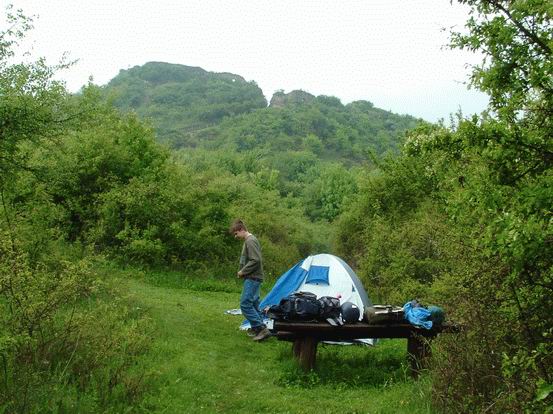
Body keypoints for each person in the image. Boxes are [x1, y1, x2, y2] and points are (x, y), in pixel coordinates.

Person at [230, 219, 271, 342]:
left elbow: (255, 260)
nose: (236, 237)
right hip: (254, 277)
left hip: (253, 278)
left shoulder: (250, 241)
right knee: (254, 304)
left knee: (245, 304)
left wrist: (243, 271)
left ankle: (261, 329)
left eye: (236, 233)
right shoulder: (250, 240)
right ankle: (257, 328)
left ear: (242, 230)